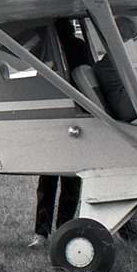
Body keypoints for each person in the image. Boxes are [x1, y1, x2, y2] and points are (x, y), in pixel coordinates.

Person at [29, 20, 90, 249]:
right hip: (72, 115)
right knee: (70, 180)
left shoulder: (45, 49)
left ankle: (43, 233)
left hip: (57, 116)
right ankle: (62, 229)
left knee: (48, 181)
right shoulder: (77, 46)